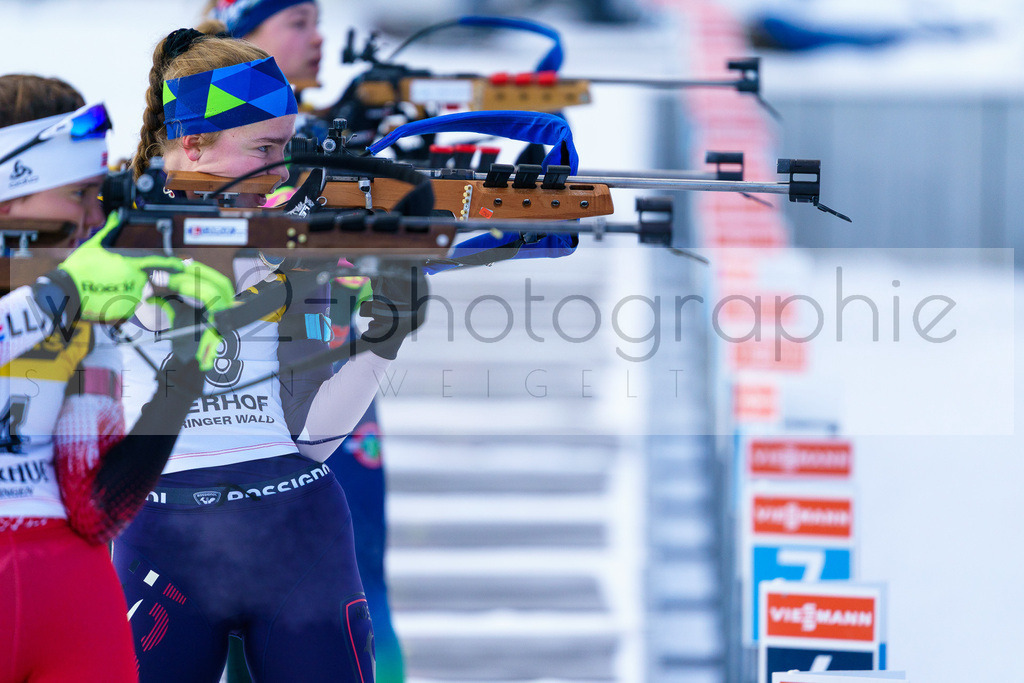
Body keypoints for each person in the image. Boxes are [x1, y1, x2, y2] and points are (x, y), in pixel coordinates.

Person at [112, 26, 423, 682]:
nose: (282, 173)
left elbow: (310, 437)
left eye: (287, 149)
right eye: (264, 149)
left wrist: (381, 341)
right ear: (192, 143)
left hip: (299, 532)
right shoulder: (116, 238)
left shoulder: (286, 246)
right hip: (164, 538)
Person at [0, 74, 234, 683]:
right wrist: (64, 293)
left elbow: (96, 509)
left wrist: (182, 377)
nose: (95, 213)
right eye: (78, 193)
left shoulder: (78, 314)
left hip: (70, 591)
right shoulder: (65, 297)